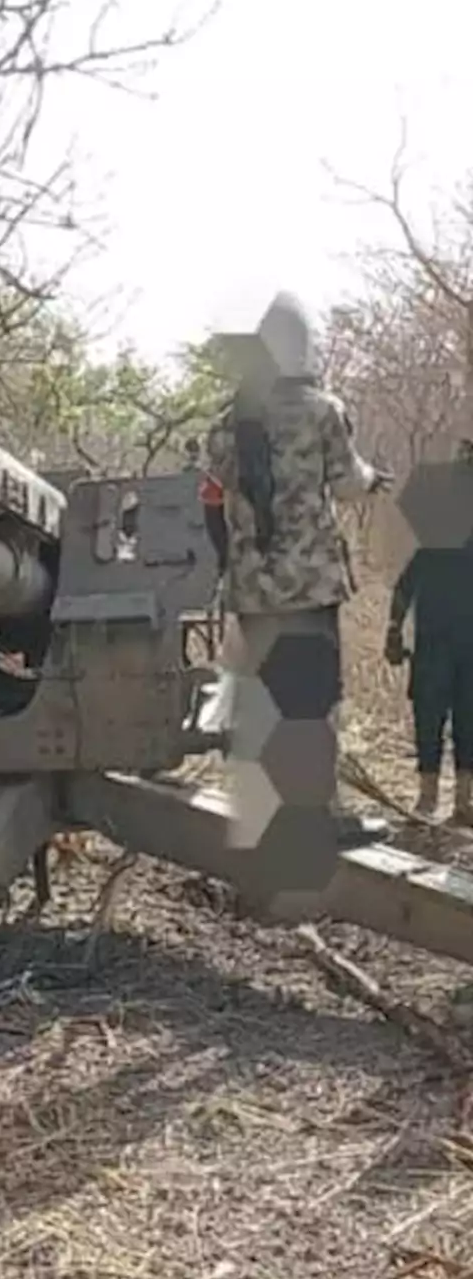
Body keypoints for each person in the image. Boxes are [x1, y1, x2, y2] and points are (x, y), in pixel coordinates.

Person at [203, 292, 391, 857]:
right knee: (312, 703)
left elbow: (217, 486)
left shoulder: (226, 422)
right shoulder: (322, 410)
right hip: (308, 588)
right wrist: (374, 478)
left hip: (253, 592)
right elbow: (346, 479)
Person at [385, 450, 473, 823]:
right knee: (433, 720)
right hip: (435, 647)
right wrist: (392, 630)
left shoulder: (434, 545)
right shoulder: (433, 548)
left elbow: (402, 592)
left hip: (452, 648)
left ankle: (460, 802)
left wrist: (393, 630)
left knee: (460, 722)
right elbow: (403, 591)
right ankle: (432, 799)